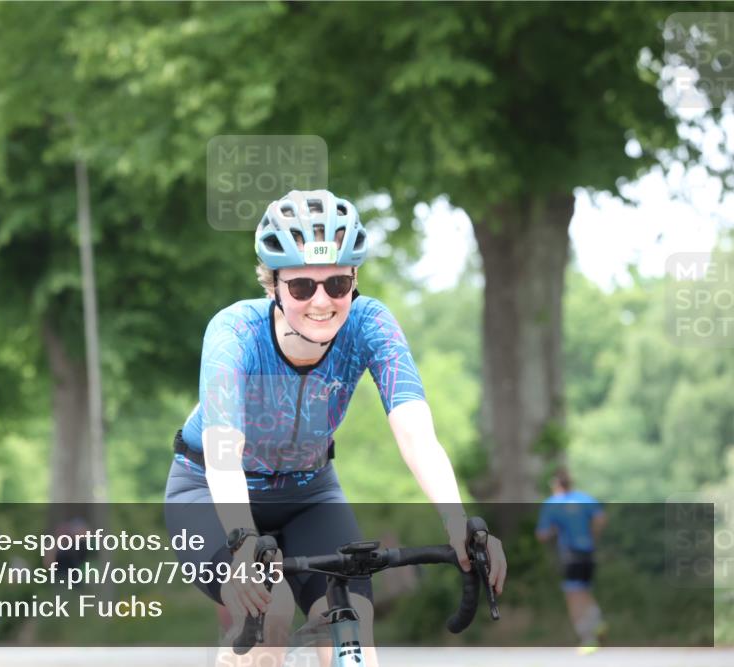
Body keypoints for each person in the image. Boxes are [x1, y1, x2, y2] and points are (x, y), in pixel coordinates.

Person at [164, 190, 507, 667]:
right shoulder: (234, 332)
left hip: (310, 494)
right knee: (272, 611)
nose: (321, 302)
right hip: (208, 488)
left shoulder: (371, 324)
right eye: (303, 287)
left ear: (354, 280)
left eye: (338, 284)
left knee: (350, 626)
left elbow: (416, 433)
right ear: (275, 284)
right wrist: (242, 539)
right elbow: (224, 450)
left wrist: (456, 523)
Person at [536, 467, 607, 651]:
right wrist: (592, 536)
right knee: (584, 590)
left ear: (555, 484)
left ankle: (587, 638)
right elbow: (600, 519)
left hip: (570, 554)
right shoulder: (585, 499)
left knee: (573, 596)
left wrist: (554, 530)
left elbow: (542, 535)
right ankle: (597, 621)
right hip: (588, 551)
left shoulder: (552, 503)